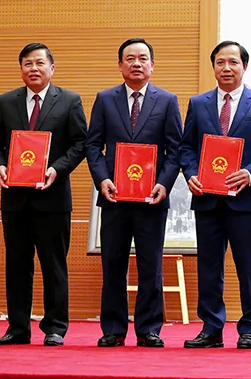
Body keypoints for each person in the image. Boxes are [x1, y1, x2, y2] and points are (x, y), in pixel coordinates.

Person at [0, 43, 87, 347]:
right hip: (15, 200)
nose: (34, 68)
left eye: (40, 63)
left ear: (52, 68)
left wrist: (56, 169)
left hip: (53, 199)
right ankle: (18, 327)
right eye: (28, 63)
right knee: (17, 264)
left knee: (53, 264)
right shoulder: (6, 102)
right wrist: (1, 167)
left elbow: (80, 144)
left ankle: (55, 327)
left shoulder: (69, 101)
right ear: (21, 69)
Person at [85, 38, 184, 348]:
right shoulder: (104, 99)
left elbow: (176, 148)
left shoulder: (167, 100)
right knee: (113, 264)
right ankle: (113, 329)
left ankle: (148, 329)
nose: (136, 63)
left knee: (150, 265)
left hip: (151, 199)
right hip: (113, 197)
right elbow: (93, 145)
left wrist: (164, 184)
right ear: (120, 65)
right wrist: (101, 179)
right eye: (130, 58)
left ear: (152, 65)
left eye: (143, 58)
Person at [180, 41, 251, 350]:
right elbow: (186, 148)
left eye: (233, 62)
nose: (226, 68)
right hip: (207, 199)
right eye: (220, 62)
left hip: (245, 200)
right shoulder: (198, 104)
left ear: (243, 67)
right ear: (213, 67)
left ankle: (250, 328)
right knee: (209, 266)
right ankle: (211, 328)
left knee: (249, 266)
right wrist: (192, 174)